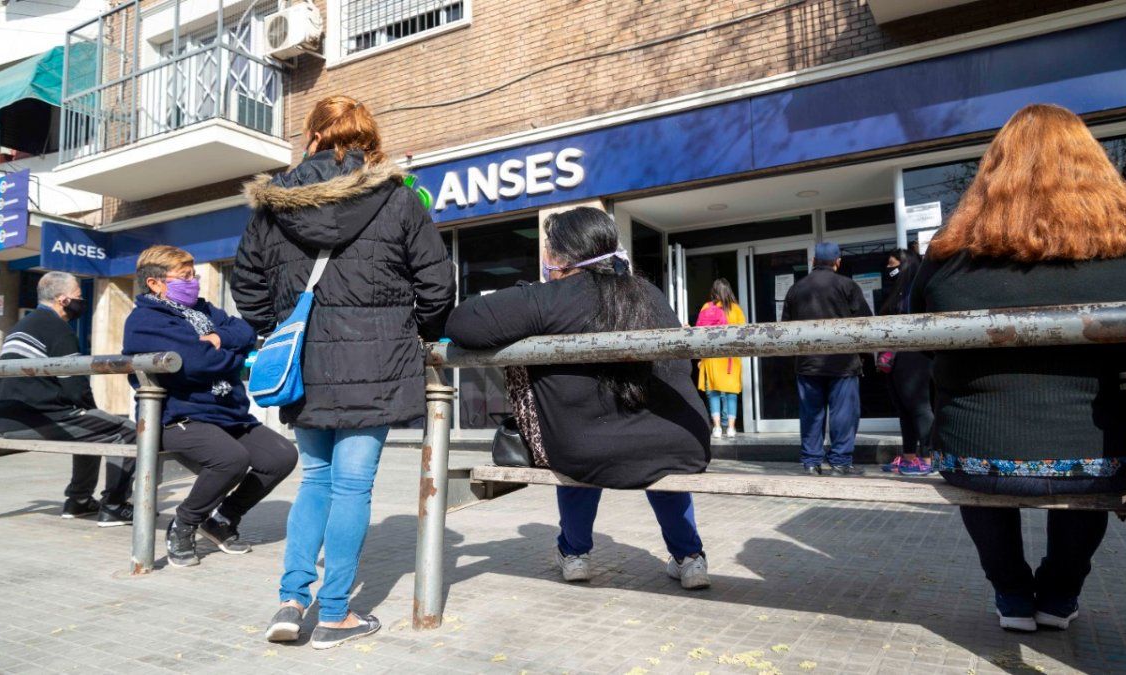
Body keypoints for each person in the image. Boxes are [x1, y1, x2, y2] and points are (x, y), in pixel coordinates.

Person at [912, 103, 1126, 632]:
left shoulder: (947, 260)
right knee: (1096, 462)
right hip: (1104, 457)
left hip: (976, 456)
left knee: (979, 452)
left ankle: (1010, 593)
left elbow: (918, 339)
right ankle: (1058, 593)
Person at [233, 95, 455, 650]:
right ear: (367, 139)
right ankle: (335, 614)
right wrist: (424, 332)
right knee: (353, 487)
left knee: (315, 480)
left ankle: (290, 599)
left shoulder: (273, 205)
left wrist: (277, 326)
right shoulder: (398, 199)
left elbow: (247, 284)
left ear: (312, 136)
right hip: (377, 361)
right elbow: (436, 281)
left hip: (307, 361)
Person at [446, 207, 712, 591]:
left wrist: (528, 293)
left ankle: (574, 554)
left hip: (586, 449)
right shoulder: (649, 293)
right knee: (657, 457)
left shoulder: (551, 299)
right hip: (681, 445)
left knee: (577, 446)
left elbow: (461, 323)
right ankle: (690, 558)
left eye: (547, 249)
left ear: (559, 256)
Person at [123, 245, 297, 568]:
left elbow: (245, 331)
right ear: (156, 284)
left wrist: (217, 341)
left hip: (227, 414)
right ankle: (184, 524)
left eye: (194, 274)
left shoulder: (204, 311)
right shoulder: (144, 320)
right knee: (231, 459)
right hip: (178, 418)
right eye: (185, 276)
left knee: (281, 455)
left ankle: (222, 519)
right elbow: (195, 364)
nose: (194, 282)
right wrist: (230, 357)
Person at [0, 272, 136, 526]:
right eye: (79, 297)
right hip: (41, 420)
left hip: (8, 422)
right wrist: (92, 411)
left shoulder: (18, 328)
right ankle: (115, 505)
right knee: (129, 431)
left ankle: (79, 501)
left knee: (92, 430)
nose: (81, 301)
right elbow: (76, 389)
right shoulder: (58, 330)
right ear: (63, 299)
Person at [780, 242, 873, 476]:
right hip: (843, 364)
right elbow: (866, 322)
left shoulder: (795, 289)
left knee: (811, 414)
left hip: (808, 364)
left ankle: (811, 462)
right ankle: (840, 462)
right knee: (843, 414)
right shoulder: (847, 285)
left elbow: (786, 329)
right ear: (837, 262)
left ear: (813, 261)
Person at [876, 249, 933, 476]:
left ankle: (928, 458)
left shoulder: (916, 291)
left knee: (919, 408)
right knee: (904, 410)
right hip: (896, 358)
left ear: (906, 265)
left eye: (894, 265)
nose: (890, 271)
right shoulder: (896, 292)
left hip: (914, 357)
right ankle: (909, 457)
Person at [695, 278, 745, 438]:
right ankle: (731, 428)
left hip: (711, 357)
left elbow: (699, 333)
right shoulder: (735, 309)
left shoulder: (706, 307)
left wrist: (701, 358)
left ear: (714, 291)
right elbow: (743, 333)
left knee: (714, 392)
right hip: (730, 358)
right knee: (731, 393)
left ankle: (716, 427)